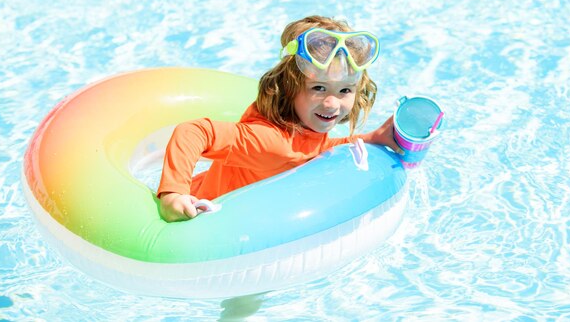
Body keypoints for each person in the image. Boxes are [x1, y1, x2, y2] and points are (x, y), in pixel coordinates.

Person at [157, 15, 400, 222]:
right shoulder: (268, 140)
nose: (332, 103)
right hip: (200, 212)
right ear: (289, 88)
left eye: (345, 91)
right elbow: (194, 131)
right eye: (318, 88)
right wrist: (173, 194)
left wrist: (370, 138)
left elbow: (314, 149)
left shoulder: (304, 125)